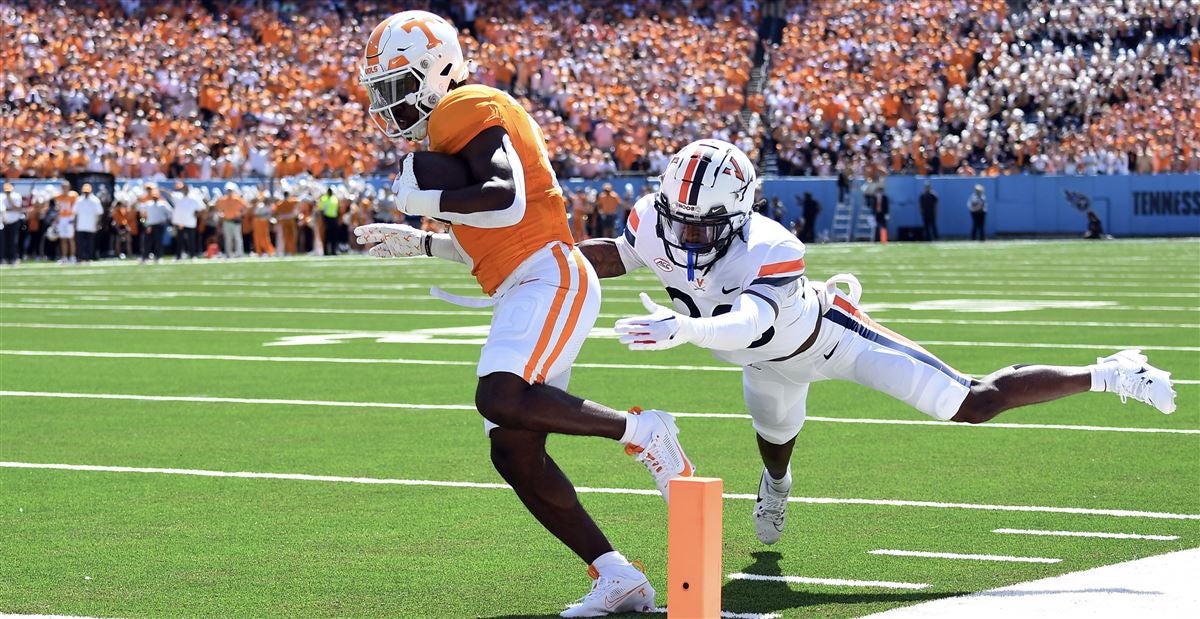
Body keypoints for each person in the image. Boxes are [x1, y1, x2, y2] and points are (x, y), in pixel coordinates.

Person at [574, 139, 1177, 547]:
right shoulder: (656, 219)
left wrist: (686, 329)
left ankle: (1112, 372)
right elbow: (618, 256)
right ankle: (777, 490)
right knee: (775, 444)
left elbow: (750, 323)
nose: (681, 237)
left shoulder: (772, 245)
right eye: (675, 220)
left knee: (973, 402)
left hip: (831, 339)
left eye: (698, 226)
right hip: (767, 366)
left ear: (736, 214)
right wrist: (541, 263)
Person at [350, 11, 690, 617]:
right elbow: (494, 234)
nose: (392, 103)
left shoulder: (466, 105)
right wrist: (424, 240)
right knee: (513, 450)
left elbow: (503, 198)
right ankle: (618, 577)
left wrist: (423, 198)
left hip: (549, 275)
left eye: (400, 85)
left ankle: (645, 432)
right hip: (524, 279)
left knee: (499, 396)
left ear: (436, 69)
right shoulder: (448, 134)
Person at [214, 183, 247, 257]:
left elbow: (245, 207)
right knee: (228, 238)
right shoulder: (223, 199)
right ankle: (228, 254)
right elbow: (217, 208)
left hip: (236, 222)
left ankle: (239, 254)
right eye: (228, 190)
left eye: (230, 190)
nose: (229, 192)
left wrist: (240, 215)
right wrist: (221, 215)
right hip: (227, 221)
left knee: (237, 238)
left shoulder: (237, 199)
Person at [73, 183, 104, 261]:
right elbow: (75, 213)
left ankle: (89, 257)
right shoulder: (79, 200)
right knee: (80, 243)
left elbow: (100, 213)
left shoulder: (95, 200)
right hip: (80, 225)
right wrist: (75, 223)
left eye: (87, 192)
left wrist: (98, 223)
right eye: (85, 192)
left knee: (90, 243)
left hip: (91, 225)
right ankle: (80, 257)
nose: (86, 193)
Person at [0, 182, 24, 264]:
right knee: (3, 241)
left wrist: (9, 199)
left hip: (14, 221)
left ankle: (13, 258)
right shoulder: (1, 196)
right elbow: (2, 209)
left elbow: (17, 208)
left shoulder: (16, 196)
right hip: (3, 222)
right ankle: (4, 258)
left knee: (13, 241)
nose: (7, 192)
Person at [318, 188, 340, 256]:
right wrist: (323, 220)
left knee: (334, 236)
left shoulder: (335, 198)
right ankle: (325, 251)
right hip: (326, 218)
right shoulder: (324, 198)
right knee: (326, 236)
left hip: (334, 218)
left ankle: (334, 251)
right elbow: (321, 209)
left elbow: (337, 209)